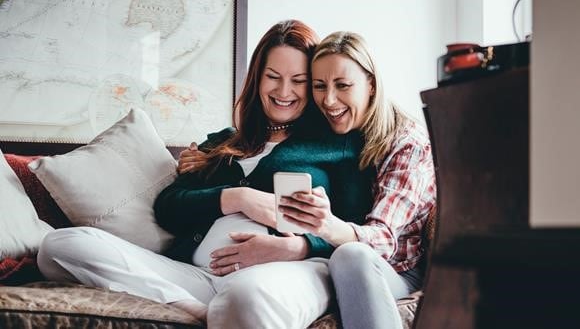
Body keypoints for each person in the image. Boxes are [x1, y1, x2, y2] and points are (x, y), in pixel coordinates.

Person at [37, 20, 374, 328]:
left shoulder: (336, 147)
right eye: (273, 77)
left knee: (246, 297)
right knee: (59, 245)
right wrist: (237, 198)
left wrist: (299, 247)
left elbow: (357, 231)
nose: (284, 91)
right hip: (196, 276)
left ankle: (220, 306)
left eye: (299, 81)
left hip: (284, 273)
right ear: (258, 79)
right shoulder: (222, 143)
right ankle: (187, 306)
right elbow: (168, 208)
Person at [276, 31, 437, 329]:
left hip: (394, 268)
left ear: (371, 85)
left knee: (350, 256)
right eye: (319, 86)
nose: (329, 100)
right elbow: (264, 135)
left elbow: (384, 239)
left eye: (343, 85)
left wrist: (325, 225)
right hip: (329, 257)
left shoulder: (407, 144)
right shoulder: (327, 130)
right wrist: (211, 155)